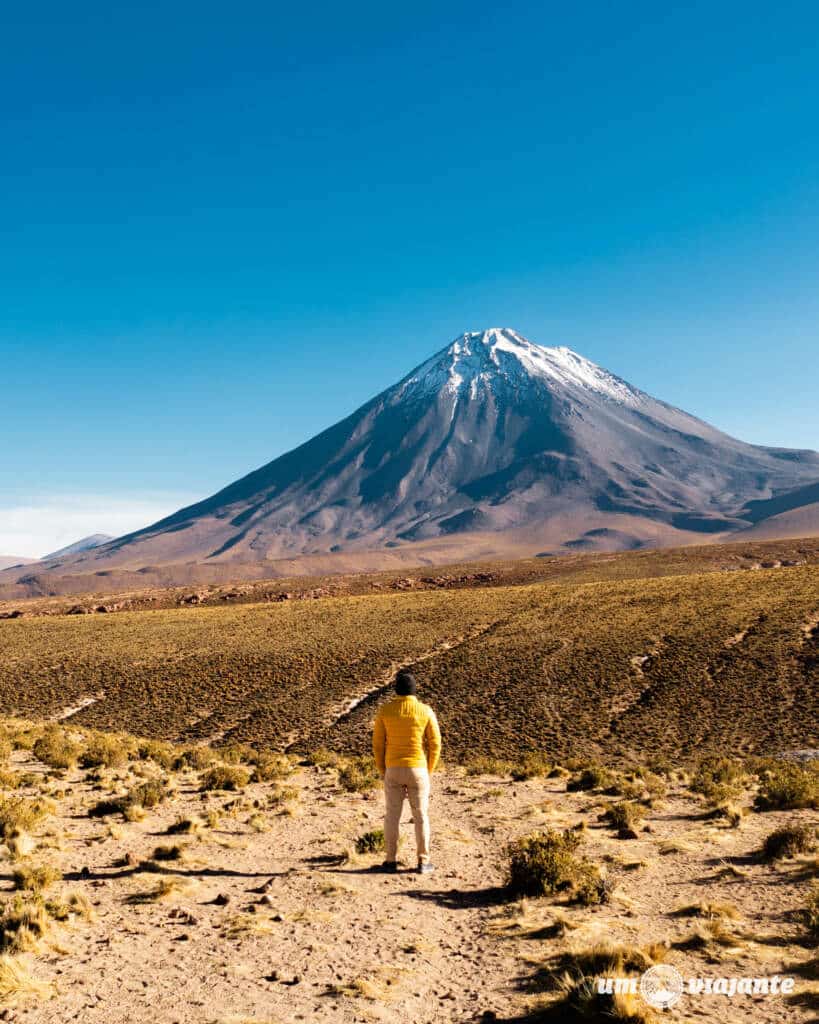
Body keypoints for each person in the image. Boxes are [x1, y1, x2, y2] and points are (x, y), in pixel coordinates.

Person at [371, 670, 441, 874]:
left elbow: (377, 745)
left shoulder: (386, 710)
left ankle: (390, 860)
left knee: (392, 816)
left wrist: (383, 769)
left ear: (396, 690)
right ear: (414, 690)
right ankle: (423, 861)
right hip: (418, 768)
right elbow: (435, 743)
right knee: (421, 815)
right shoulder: (425, 711)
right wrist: (428, 770)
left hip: (393, 768)